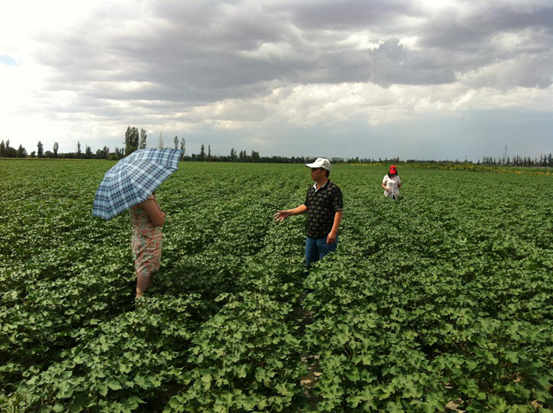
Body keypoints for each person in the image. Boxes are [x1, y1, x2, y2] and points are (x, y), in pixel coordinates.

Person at [274, 158, 343, 269]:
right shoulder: (311, 189)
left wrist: (333, 232)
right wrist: (289, 212)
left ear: (323, 171)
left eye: (314, 170)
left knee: (326, 268)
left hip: (326, 237)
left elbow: (338, 211)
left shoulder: (333, 190)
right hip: (311, 236)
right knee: (309, 267)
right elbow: (306, 206)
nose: (311, 172)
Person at [129, 192, 166, 299]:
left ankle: (144, 307)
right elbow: (159, 221)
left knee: (142, 271)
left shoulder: (133, 195)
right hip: (149, 242)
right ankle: (142, 310)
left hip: (139, 238)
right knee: (144, 285)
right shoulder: (145, 196)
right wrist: (162, 214)